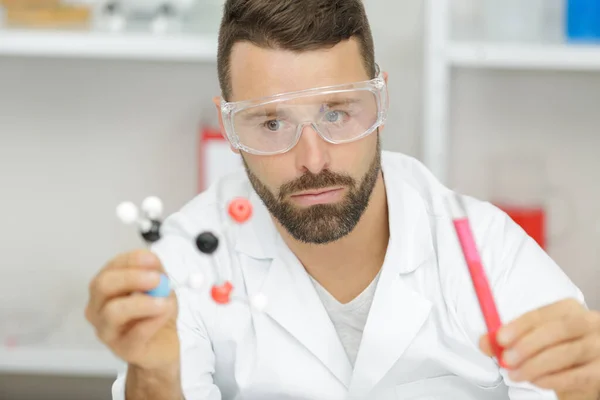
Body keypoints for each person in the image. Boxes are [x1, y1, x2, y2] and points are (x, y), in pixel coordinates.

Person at [85, 0, 600, 399]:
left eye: (337, 113)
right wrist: (153, 375)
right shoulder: (189, 261)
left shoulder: (486, 251)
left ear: (380, 100)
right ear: (229, 125)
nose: (312, 159)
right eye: (271, 122)